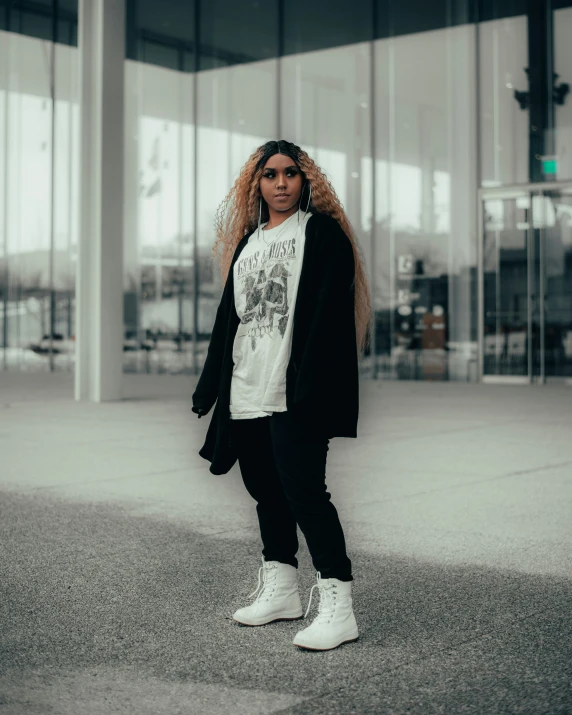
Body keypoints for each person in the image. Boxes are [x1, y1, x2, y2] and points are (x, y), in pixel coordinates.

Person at [192, 139, 372, 651]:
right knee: (265, 494)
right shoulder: (249, 242)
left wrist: (313, 385)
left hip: (295, 390)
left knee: (305, 494)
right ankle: (283, 590)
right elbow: (230, 320)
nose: (281, 183)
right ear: (258, 184)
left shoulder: (322, 234)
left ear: (305, 179)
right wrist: (211, 386)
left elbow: (330, 318)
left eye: (290, 173)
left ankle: (339, 606)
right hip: (247, 384)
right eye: (270, 175)